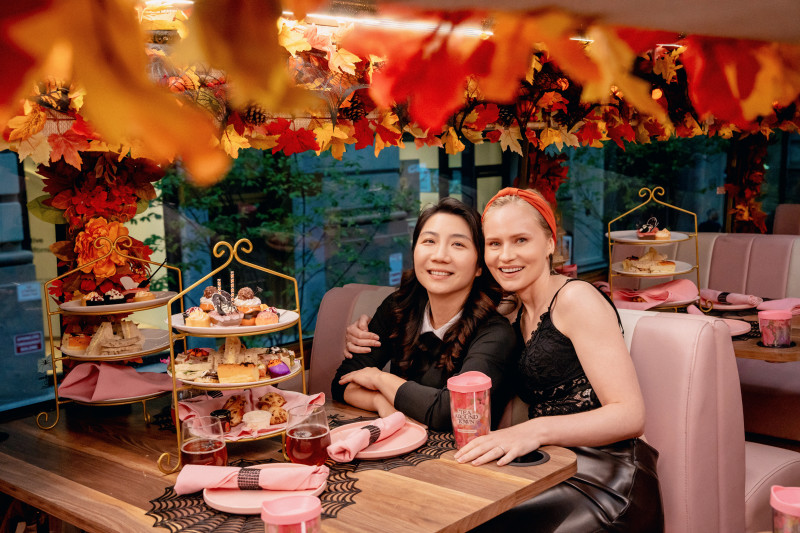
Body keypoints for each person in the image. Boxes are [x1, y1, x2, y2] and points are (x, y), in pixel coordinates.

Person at [346, 189, 663, 532]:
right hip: (550, 465)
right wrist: (364, 335)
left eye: (521, 240)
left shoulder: (576, 298)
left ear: (550, 243)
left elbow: (630, 415)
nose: (506, 255)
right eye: (494, 244)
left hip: (608, 476)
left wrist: (532, 431)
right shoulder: (514, 312)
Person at [331, 197, 517, 431]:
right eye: (429, 241)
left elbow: (454, 413)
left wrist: (380, 378)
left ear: (479, 265)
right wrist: (379, 401)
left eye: (458, 244)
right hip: (401, 443)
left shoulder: (496, 334)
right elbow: (343, 382)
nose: (440, 256)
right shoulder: (399, 307)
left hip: (463, 452)